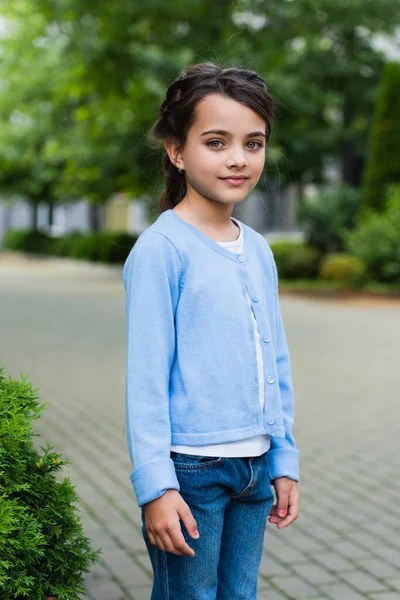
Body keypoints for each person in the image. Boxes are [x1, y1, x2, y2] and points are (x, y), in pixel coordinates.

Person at [123, 62, 300, 599]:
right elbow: (146, 380)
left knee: (239, 594)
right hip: (192, 473)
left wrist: (283, 458)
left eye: (254, 143)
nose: (238, 159)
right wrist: (156, 485)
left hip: (255, 469)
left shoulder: (258, 248)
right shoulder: (162, 250)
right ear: (177, 151)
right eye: (217, 142)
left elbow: (277, 361)